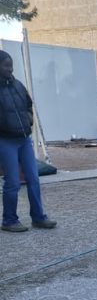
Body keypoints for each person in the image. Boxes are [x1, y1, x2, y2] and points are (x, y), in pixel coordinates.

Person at [0, 50, 56, 232]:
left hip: (24, 139)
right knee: (13, 182)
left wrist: (29, 120)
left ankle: (39, 218)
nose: (10, 68)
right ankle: (9, 221)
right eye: (6, 65)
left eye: (11, 64)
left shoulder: (17, 85)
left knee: (33, 178)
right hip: (6, 140)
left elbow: (28, 104)